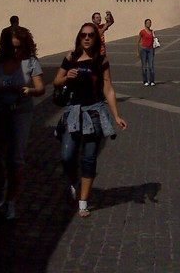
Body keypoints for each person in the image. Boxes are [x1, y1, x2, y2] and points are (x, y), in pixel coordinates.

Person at [54, 23, 127, 218]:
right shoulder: (71, 58)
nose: (87, 38)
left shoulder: (100, 61)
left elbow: (108, 88)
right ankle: (73, 180)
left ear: (96, 38)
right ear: (79, 37)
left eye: (91, 35)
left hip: (94, 112)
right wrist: (66, 77)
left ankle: (83, 202)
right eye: (83, 35)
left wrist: (116, 115)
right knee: (67, 156)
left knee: (89, 157)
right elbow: (56, 81)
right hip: (73, 112)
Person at [0, 25, 45, 220]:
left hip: (20, 112)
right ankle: (2, 183)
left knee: (15, 159)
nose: (16, 52)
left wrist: (28, 90)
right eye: (12, 48)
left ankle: (11, 201)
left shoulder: (30, 62)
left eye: (19, 48)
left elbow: (40, 88)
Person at [136, 18, 156, 86]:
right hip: (143, 49)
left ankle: (152, 80)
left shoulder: (152, 31)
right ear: (145, 24)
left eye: (150, 23)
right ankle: (145, 81)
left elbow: (153, 41)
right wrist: (137, 51)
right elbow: (138, 41)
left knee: (151, 66)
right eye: (147, 23)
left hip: (150, 49)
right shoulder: (142, 32)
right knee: (144, 66)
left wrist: (153, 50)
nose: (149, 24)